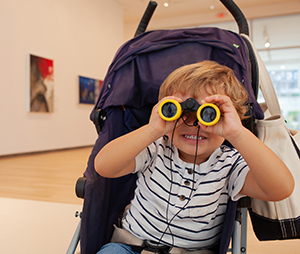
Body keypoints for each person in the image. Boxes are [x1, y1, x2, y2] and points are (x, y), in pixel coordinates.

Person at [94, 61, 294, 254]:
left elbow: (281, 188)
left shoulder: (230, 165)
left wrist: (238, 133)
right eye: (179, 111)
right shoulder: (154, 149)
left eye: (209, 113)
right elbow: (104, 166)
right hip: (130, 246)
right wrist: (153, 129)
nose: (194, 123)